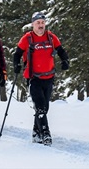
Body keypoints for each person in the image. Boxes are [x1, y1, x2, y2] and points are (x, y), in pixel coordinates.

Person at [12, 12, 69, 146]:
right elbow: (17, 54)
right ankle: (45, 134)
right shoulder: (27, 38)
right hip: (34, 78)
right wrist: (17, 65)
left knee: (44, 108)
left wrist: (65, 60)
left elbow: (61, 50)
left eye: (42, 23)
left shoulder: (51, 37)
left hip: (49, 77)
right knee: (40, 108)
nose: (41, 25)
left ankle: (36, 133)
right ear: (33, 24)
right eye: (38, 23)